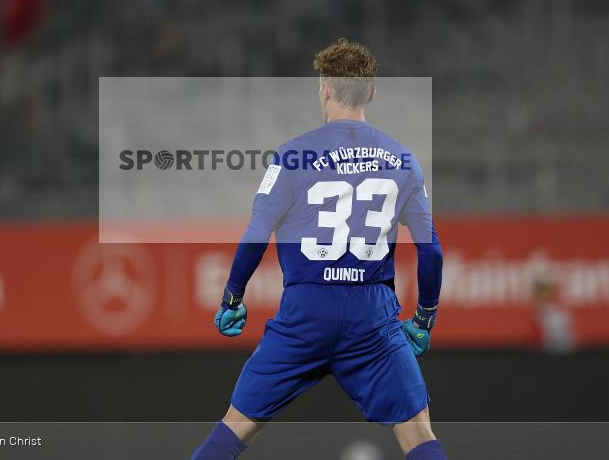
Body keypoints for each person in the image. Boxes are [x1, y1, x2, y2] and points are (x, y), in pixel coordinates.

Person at [191, 39, 447, 460]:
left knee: (233, 429)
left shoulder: (292, 157)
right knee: (419, 435)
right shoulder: (403, 160)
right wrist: (424, 318)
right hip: (373, 316)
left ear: (325, 88)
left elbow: (257, 233)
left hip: (306, 312)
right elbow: (431, 251)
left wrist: (233, 295)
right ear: (372, 92)